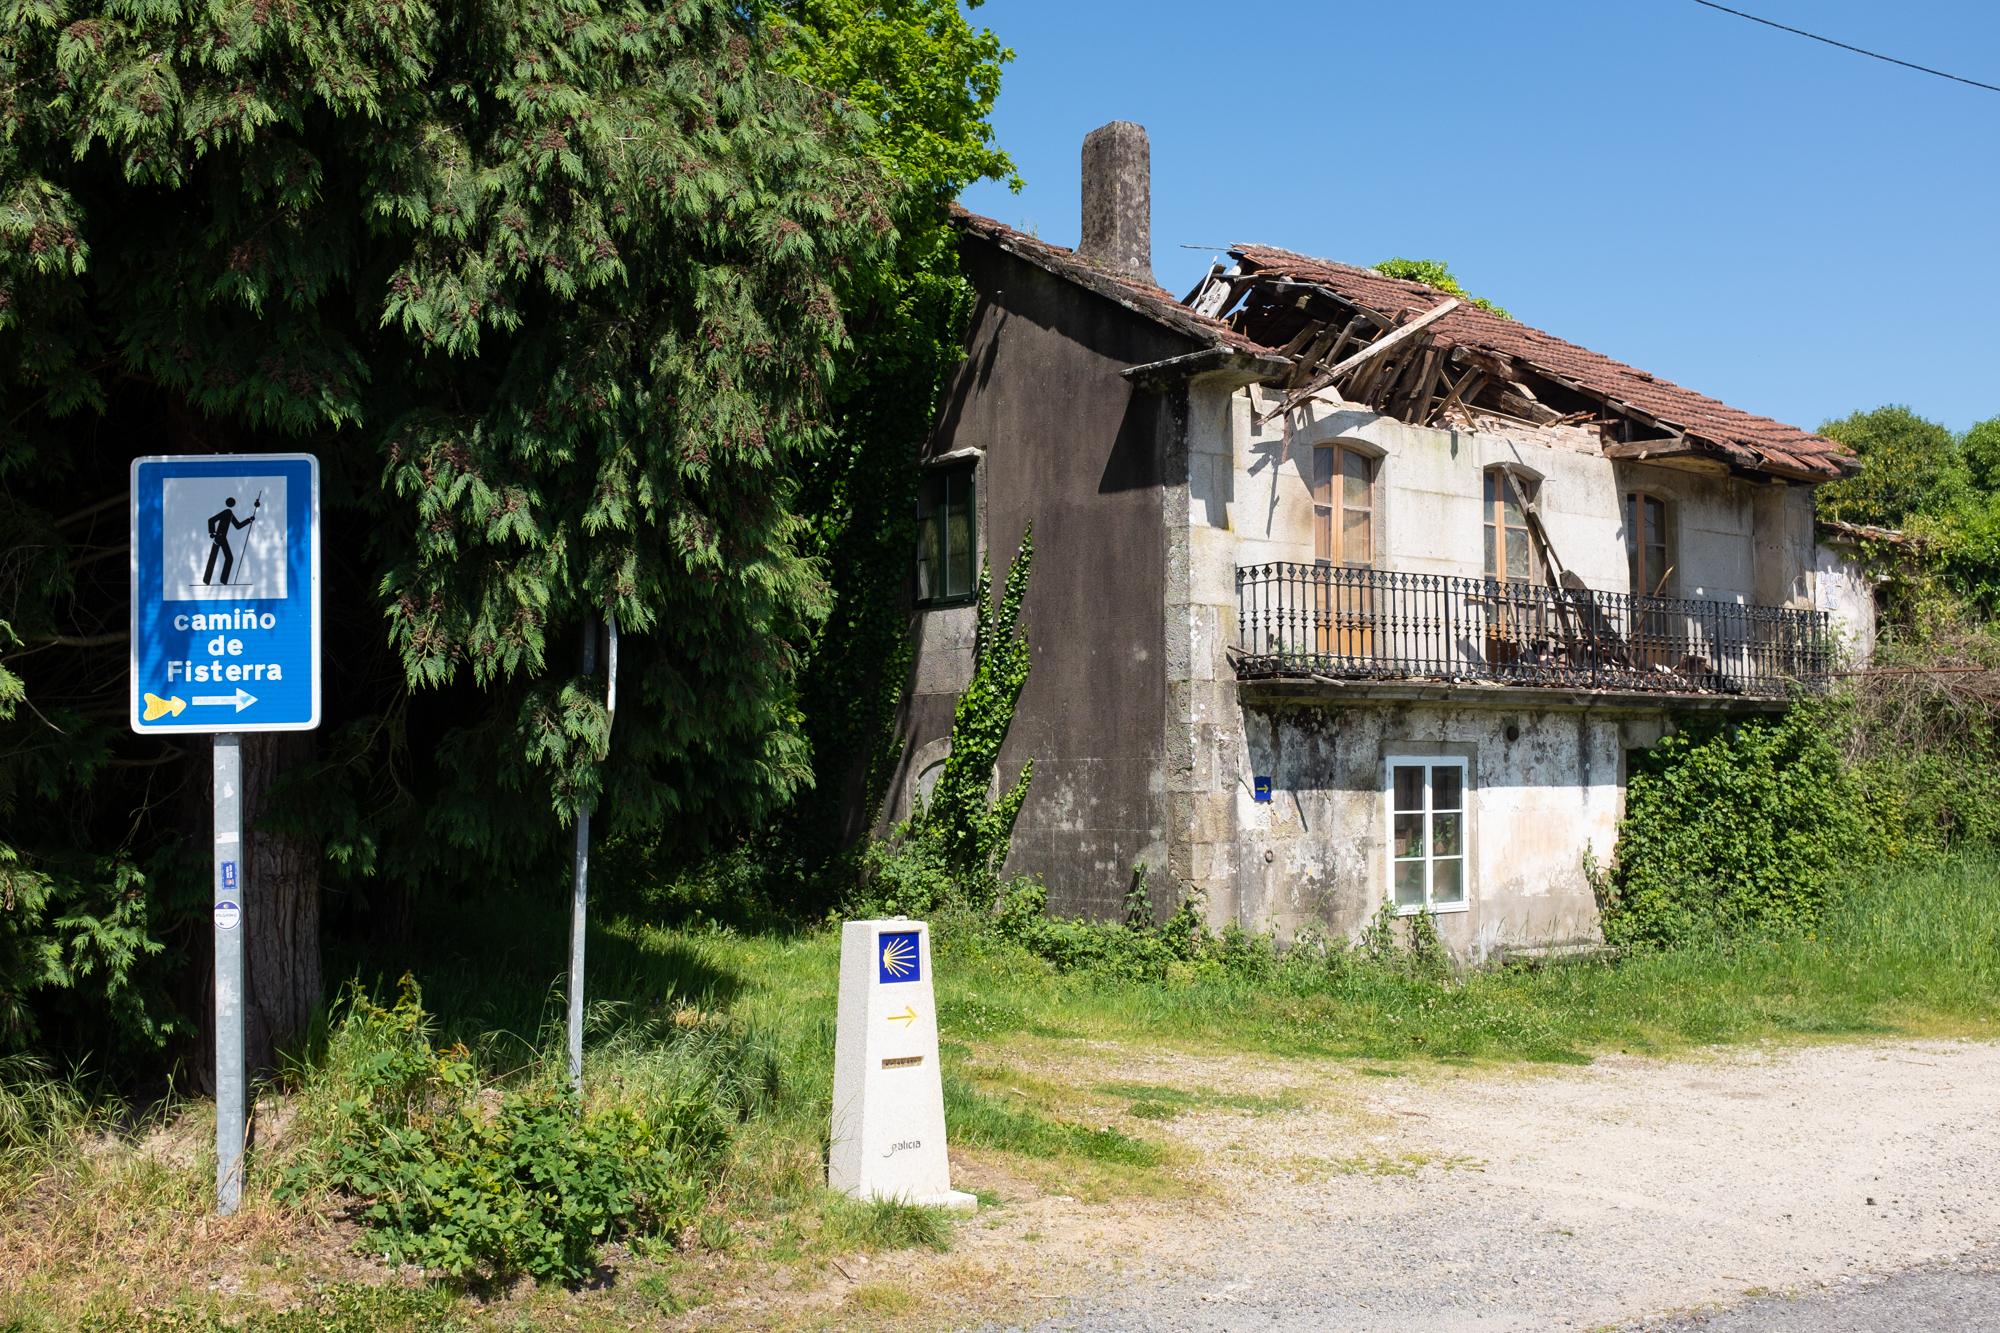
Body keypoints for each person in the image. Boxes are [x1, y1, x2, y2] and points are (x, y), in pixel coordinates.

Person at [202, 497, 256, 586]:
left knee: (226, 558)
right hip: (219, 537)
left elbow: (238, 526)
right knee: (217, 558)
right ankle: (209, 580)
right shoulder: (226, 512)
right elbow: (211, 520)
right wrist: (212, 533)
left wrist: (249, 520)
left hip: (223, 538)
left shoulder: (229, 513)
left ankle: (221, 581)